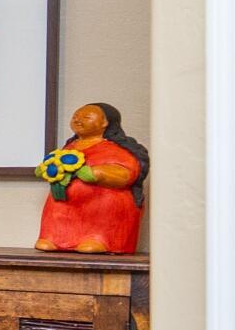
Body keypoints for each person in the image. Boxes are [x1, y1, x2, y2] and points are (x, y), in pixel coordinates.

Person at [35, 102, 149, 253]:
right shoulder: (69, 147)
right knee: (56, 207)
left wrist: (98, 173)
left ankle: (100, 239)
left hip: (100, 204)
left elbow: (127, 174)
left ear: (104, 123)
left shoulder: (115, 148)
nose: (78, 120)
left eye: (86, 117)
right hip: (65, 202)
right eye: (75, 116)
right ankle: (54, 238)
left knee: (104, 205)